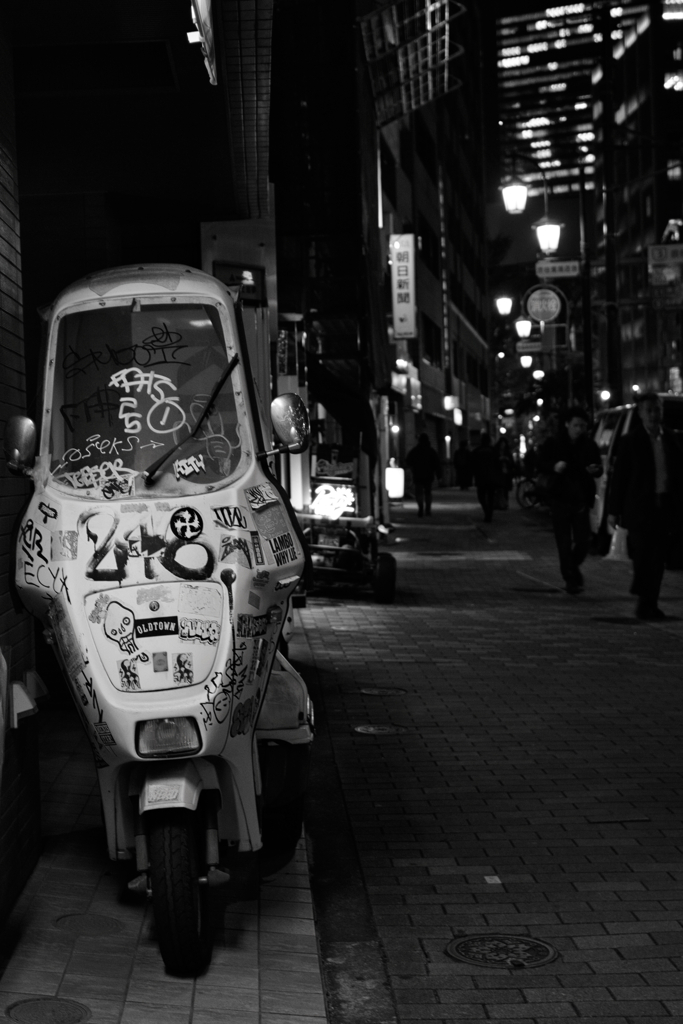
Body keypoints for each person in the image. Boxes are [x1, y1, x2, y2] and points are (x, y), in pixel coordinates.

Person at [607, 391, 683, 620]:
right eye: (648, 410)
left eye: (656, 410)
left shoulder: (671, 439)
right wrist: (614, 510)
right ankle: (643, 597)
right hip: (640, 508)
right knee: (642, 555)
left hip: (665, 505)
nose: (653, 415)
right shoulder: (630, 441)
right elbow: (620, 477)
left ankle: (650, 602)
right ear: (640, 413)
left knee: (658, 557)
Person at [538, 406, 602, 594]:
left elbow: (598, 467)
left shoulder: (589, 445)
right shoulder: (554, 443)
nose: (579, 429)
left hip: (580, 498)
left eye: (582, 426)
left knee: (583, 540)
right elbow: (539, 463)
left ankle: (572, 567)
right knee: (564, 542)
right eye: (576, 425)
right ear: (567, 424)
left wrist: (595, 469)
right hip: (560, 497)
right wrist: (554, 466)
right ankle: (570, 579)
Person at [405, 433, 442, 517]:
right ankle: (428, 509)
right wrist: (439, 476)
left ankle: (421, 508)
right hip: (429, 474)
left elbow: (408, 461)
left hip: (418, 474)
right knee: (428, 492)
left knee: (419, 492)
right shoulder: (431, 451)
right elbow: (437, 464)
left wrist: (413, 467)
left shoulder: (415, 451)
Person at [471, 432, 500, 523]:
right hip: (491, 477)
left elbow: (472, 464)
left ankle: (487, 512)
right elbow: (498, 464)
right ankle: (489, 514)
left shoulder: (477, 451)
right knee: (491, 497)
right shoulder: (494, 451)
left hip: (481, 477)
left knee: (481, 496)